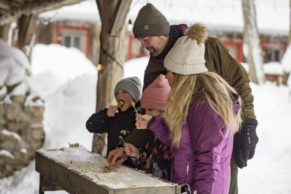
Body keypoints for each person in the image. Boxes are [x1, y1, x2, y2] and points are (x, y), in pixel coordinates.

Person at [133, 3, 258, 193]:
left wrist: (248, 124)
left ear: (162, 34)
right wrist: (133, 142)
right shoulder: (154, 68)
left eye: (146, 38)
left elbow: (240, 82)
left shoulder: (209, 49)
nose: (143, 45)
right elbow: (150, 111)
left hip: (215, 154)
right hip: (179, 160)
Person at [107, 74, 173, 181]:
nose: (146, 113)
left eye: (150, 110)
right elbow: (149, 164)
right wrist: (137, 155)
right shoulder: (151, 132)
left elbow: (162, 170)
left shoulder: (170, 135)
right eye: (145, 109)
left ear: (164, 111)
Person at [86, 76, 142, 156]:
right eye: (116, 93)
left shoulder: (142, 117)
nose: (119, 96)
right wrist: (105, 114)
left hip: (132, 167)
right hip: (111, 164)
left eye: (124, 92)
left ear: (135, 96)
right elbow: (90, 126)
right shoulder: (114, 117)